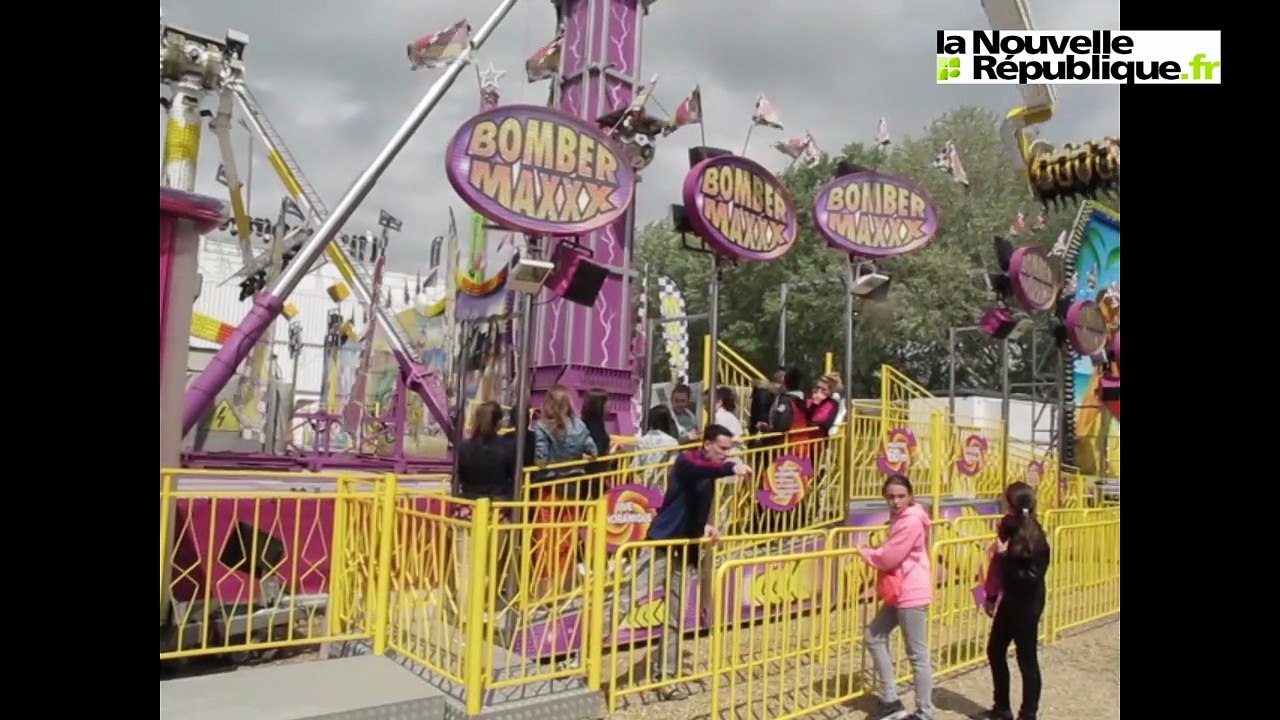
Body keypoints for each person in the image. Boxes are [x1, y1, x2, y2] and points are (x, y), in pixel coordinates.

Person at [642, 425, 752, 699]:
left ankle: (666, 677)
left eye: (729, 449)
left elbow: (693, 504)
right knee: (625, 600)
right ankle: (581, 661)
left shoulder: (709, 471)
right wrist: (730, 468)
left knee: (676, 616)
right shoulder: (688, 460)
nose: (727, 454)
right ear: (706, 444)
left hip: (685, 550)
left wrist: (704, 526)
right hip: (661, 545)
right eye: (723, 448)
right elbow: (700, 471)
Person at [857, 475, 935, 720]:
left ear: (910, 496)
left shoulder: (910, 520)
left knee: (917, 654)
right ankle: (890, 698)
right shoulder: (901, 517)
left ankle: (924, 712)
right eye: (890, 496)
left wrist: (867, 553)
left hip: (911, 591)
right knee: (873, 635)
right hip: (899, 589)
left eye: (901, 496)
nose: (895, 501)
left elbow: (890, 556)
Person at [974, 482, 1052, 720]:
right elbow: (998, 568)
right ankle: (1001, 708)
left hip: (1027, 604)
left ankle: (1028, 713)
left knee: (1026, 658)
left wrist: (1005, 555)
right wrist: (991, 594)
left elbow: (1030, 578)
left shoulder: (1035, 535)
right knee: (995, 650)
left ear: (1011, 503)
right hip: (1009, 600)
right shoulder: (1007, 527)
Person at [532, 385, 598, 497]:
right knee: (571, 512)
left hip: (550, 481)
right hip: (574, 480)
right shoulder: (580, 425)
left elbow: (541, 460)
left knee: (547, 513)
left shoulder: (542, 426)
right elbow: (593, 452)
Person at [456, 401, 516, 500]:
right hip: (497, 505)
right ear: (498, 422)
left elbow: (461, 476)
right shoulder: (508, 446)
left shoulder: (464, 446)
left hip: (468, 502)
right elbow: (512, 475)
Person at [636, 405, 681, 473]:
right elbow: (673, 466)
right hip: (663, 481)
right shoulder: (672, 442)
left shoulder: (642, 441)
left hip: (643, 481)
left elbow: (635, 465)